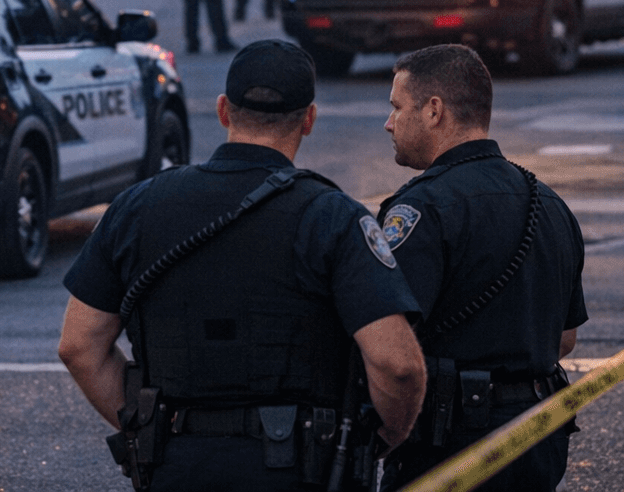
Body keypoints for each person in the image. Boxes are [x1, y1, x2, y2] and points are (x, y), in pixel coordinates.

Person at [58, 40, 426, 491]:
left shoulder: (136, 207)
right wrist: (382, 438)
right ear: (308, 119)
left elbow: (79, 346)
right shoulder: (332, 217)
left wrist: (148, 429)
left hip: (177, 465)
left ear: (223, 111)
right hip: (299, 470)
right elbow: (397, 365)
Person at [378, 45, 586, 492]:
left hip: (452, 442)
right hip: (539, 435)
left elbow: (391, 351)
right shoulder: (550, 203)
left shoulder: (420, 209)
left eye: (397, 107)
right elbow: (565, 338)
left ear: (434, 111)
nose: (389, 123)